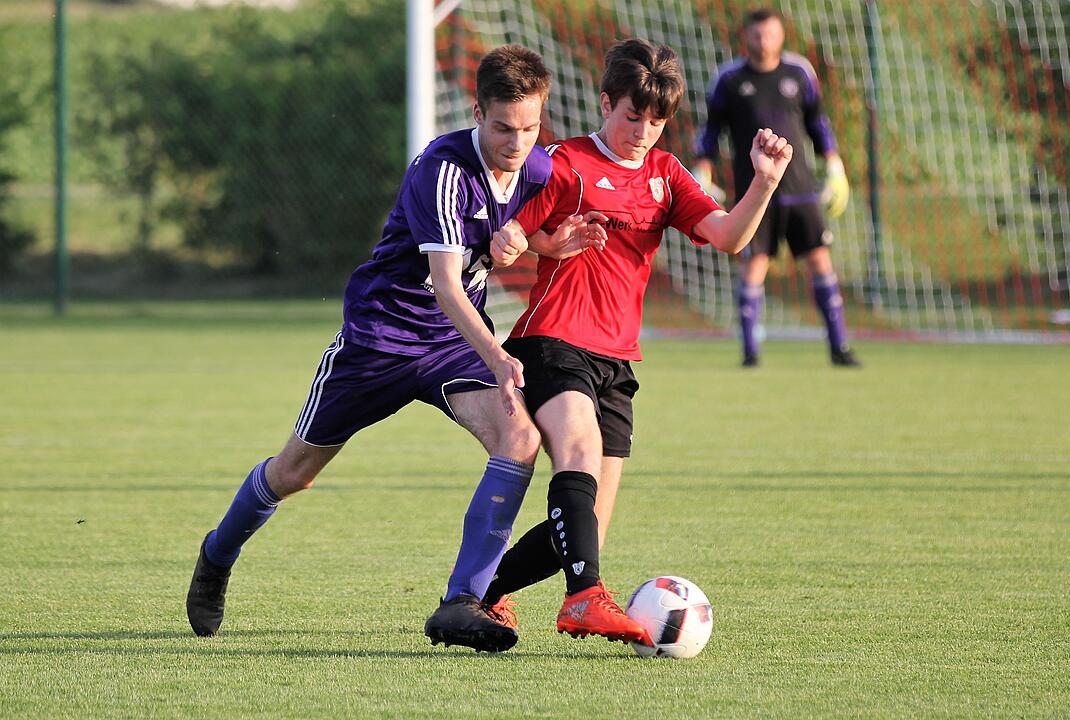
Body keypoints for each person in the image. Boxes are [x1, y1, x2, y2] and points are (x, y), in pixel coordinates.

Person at [185, 45, 597, 654]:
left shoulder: (536, 169)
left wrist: (552, 246)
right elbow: (448, 285)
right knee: (294, 473)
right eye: (504, 127)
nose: (517, 142)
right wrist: (498, 356)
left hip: (449, 345)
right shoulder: (441, 168)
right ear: (476, 111)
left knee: (520, 437)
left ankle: (463, 601)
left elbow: (512, 233)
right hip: (380, 338)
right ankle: (218, 552)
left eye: (530, 127)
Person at [476, 37, 794, 646]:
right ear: (604, 102)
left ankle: (486, 591)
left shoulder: (665, 173)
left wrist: (764, 181)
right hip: (552, 339)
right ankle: (583, 600)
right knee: (579, 446)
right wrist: (523, 240)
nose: (643, 130)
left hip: (616, 359)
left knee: (587, 523)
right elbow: (511, 230)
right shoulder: (562, 161)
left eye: (656, 120)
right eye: (631, 115)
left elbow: (728, 237)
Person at [692, 7, 860, 368]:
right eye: (757, 35)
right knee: (755, 265)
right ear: (746, 38)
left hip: (800, 189)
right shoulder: (729, 79)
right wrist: (703, 168)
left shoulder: (799, 72)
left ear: (781, 35)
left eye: (770, 34)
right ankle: (750, 352)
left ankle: (839, 346)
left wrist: (834, 163)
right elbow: (711, 130)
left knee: (819, 260)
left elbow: (818, 122)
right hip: (755, 193)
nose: (763, 41)